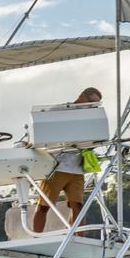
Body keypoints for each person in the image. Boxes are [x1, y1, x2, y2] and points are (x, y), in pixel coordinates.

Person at [33, 87, 102, 233]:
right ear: (82, 96)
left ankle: (77, 237)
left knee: (78, 206)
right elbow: (41, 129)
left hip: (77, 168)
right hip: (55, 167)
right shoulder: (60, 110)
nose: (91, 107)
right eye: (91, 102)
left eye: (94, 105)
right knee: (44, 206)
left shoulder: (90, 117)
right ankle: (36, 236)